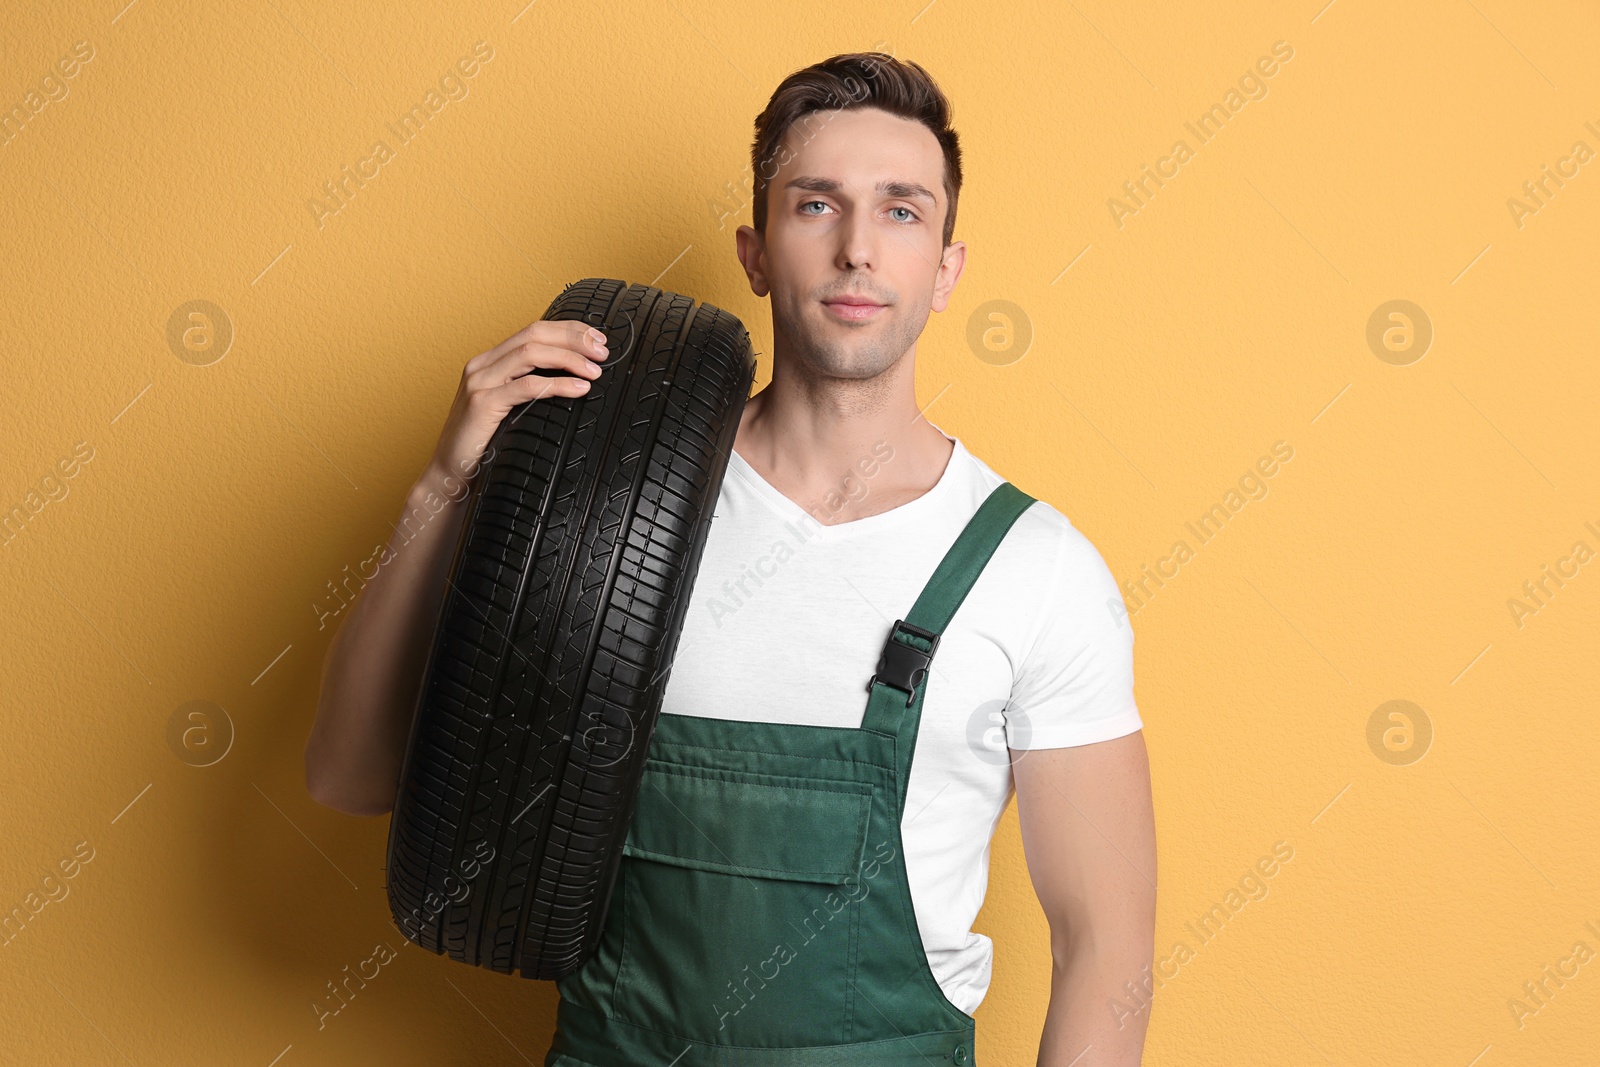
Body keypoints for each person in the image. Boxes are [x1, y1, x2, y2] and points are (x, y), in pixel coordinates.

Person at [305, 51, 1155, 1067]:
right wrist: (442, 483)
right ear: (753, 254)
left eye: (900, 212)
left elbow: (1106, 945)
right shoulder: (603, 511)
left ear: (944, 267)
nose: (855, 252)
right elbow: (350, 775)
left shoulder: (1035, 568)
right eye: (814, 206)